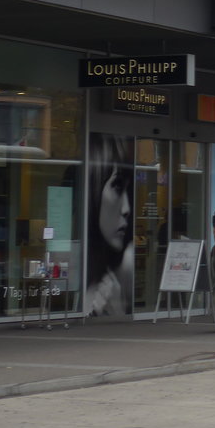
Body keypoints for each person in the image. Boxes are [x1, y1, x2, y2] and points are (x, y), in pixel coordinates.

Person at [85, 134, 135, 315]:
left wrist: (117, 309)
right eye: (118, 186)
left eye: (128, 190)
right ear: (93, 189)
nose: (127, 208)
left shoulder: (125, 269)